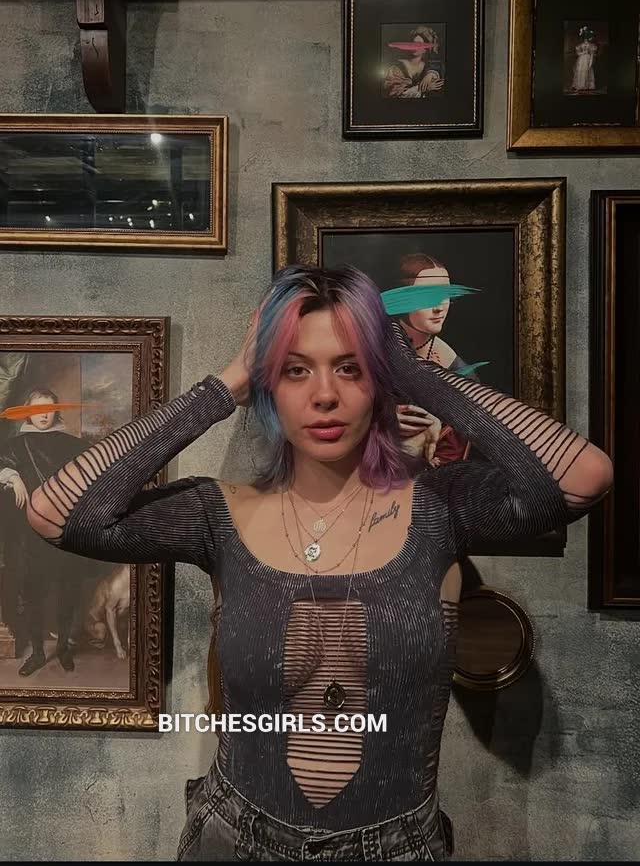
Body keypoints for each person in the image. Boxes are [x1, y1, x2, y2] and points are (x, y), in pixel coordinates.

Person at [26, 265, 612, 861]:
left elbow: (583, 478)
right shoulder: (218, 513)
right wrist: (224, 386)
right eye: (295, 369)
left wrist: (411, 369)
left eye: (351, 367)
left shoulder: (439, 508)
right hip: (235, 838)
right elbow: (56, 513)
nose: (324, 394)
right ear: (268, 384)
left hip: (398, 848)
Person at [0, 388, 91, 675]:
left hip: (64, 529)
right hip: (29, 533)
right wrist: (12, 477)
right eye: (37, 409)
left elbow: (93, 475)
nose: (43, 415)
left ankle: (63, 648)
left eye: (49, 409)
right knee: (32, 593)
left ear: (56, 411)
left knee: (68, 589)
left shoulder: (73, 444)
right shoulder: (15, 445)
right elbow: (1, 465)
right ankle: (38, 653)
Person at [394, 253, 476, 466]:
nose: (439, 307)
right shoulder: (371, 347)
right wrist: (379, 420)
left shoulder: (458, 371)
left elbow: (454, 452)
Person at [383, 25, 445, 99]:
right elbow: (394, 94)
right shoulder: (396, 66)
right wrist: (421, 88)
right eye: (413, 43)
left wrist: (431, 74)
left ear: (426, 48)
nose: (414, 47)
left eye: (419, 44)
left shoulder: (429, 67)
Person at [571, 26, 598, 93]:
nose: (585, 39)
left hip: (587, 59)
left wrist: (591, 62)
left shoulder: (591, 45)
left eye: (587, 37)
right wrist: (582, 53)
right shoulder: (580, 45)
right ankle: (580, 85)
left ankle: (587, 86)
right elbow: (578, 53)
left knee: (587, 70)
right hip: (581, 59)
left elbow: (592, 54)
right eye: (584, 37)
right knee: (580, 71)